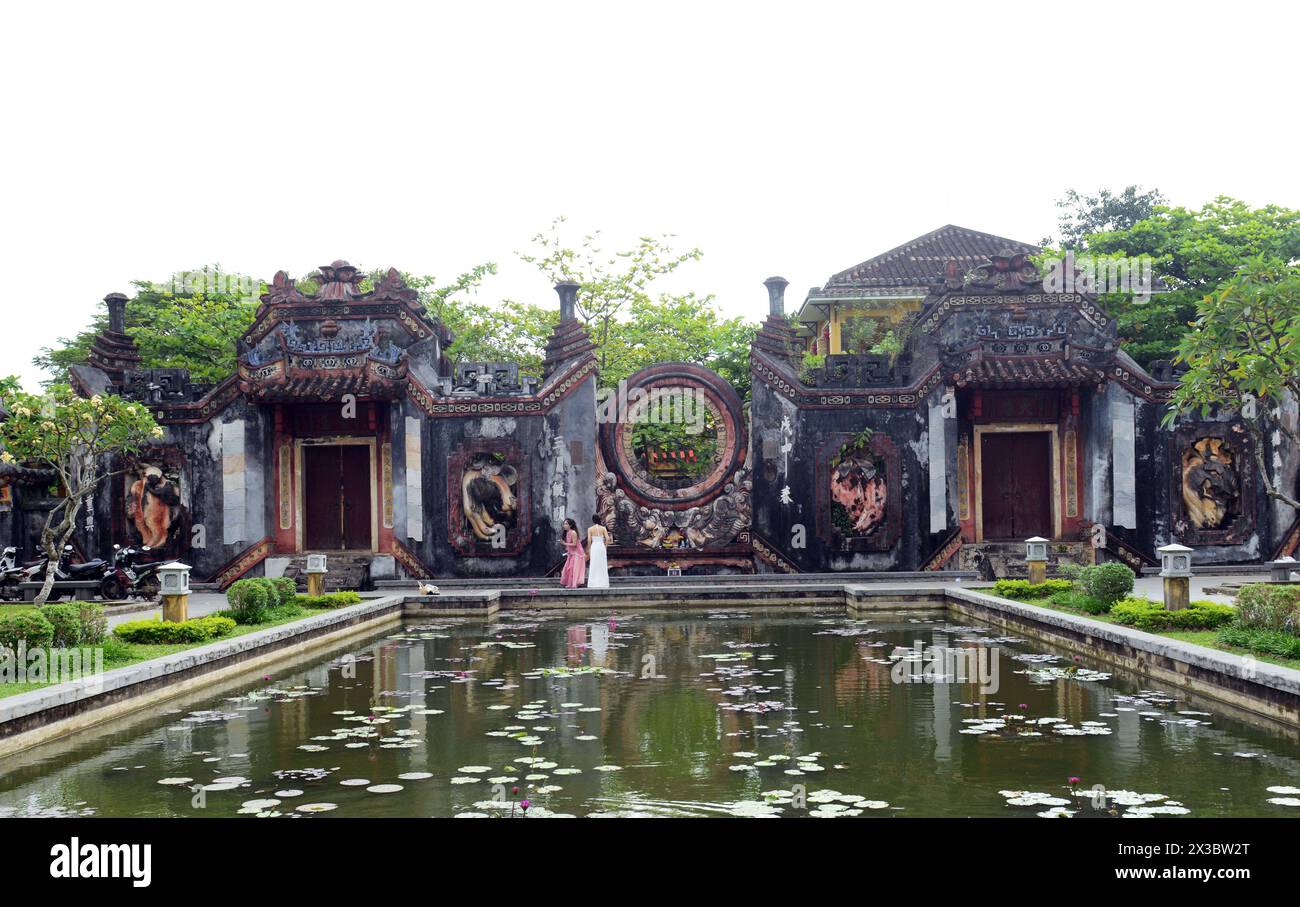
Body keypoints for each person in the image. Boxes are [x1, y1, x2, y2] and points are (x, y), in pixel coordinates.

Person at [559, 518, 585, 589]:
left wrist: (564, 543)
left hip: (577, 554)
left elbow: (574, 544)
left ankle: (574, 584)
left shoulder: (573, 532)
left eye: (566, 524)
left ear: (570, 525)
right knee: (568, 568)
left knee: (573, 569)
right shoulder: (568, 533)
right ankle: (570, 584)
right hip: (571, 553)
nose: (564, 525)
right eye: (564, 524)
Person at [586, 515, 610, 589]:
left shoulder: (590, 529)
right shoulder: (603, 528)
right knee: (602, 564)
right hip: (601, 546)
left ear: (593, 520)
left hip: (594, 546)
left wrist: (589, 548)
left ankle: (593, 583)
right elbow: (607, 538)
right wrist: (605, 546)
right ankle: (603, 583)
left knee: (594, 563)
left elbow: (589, 540)